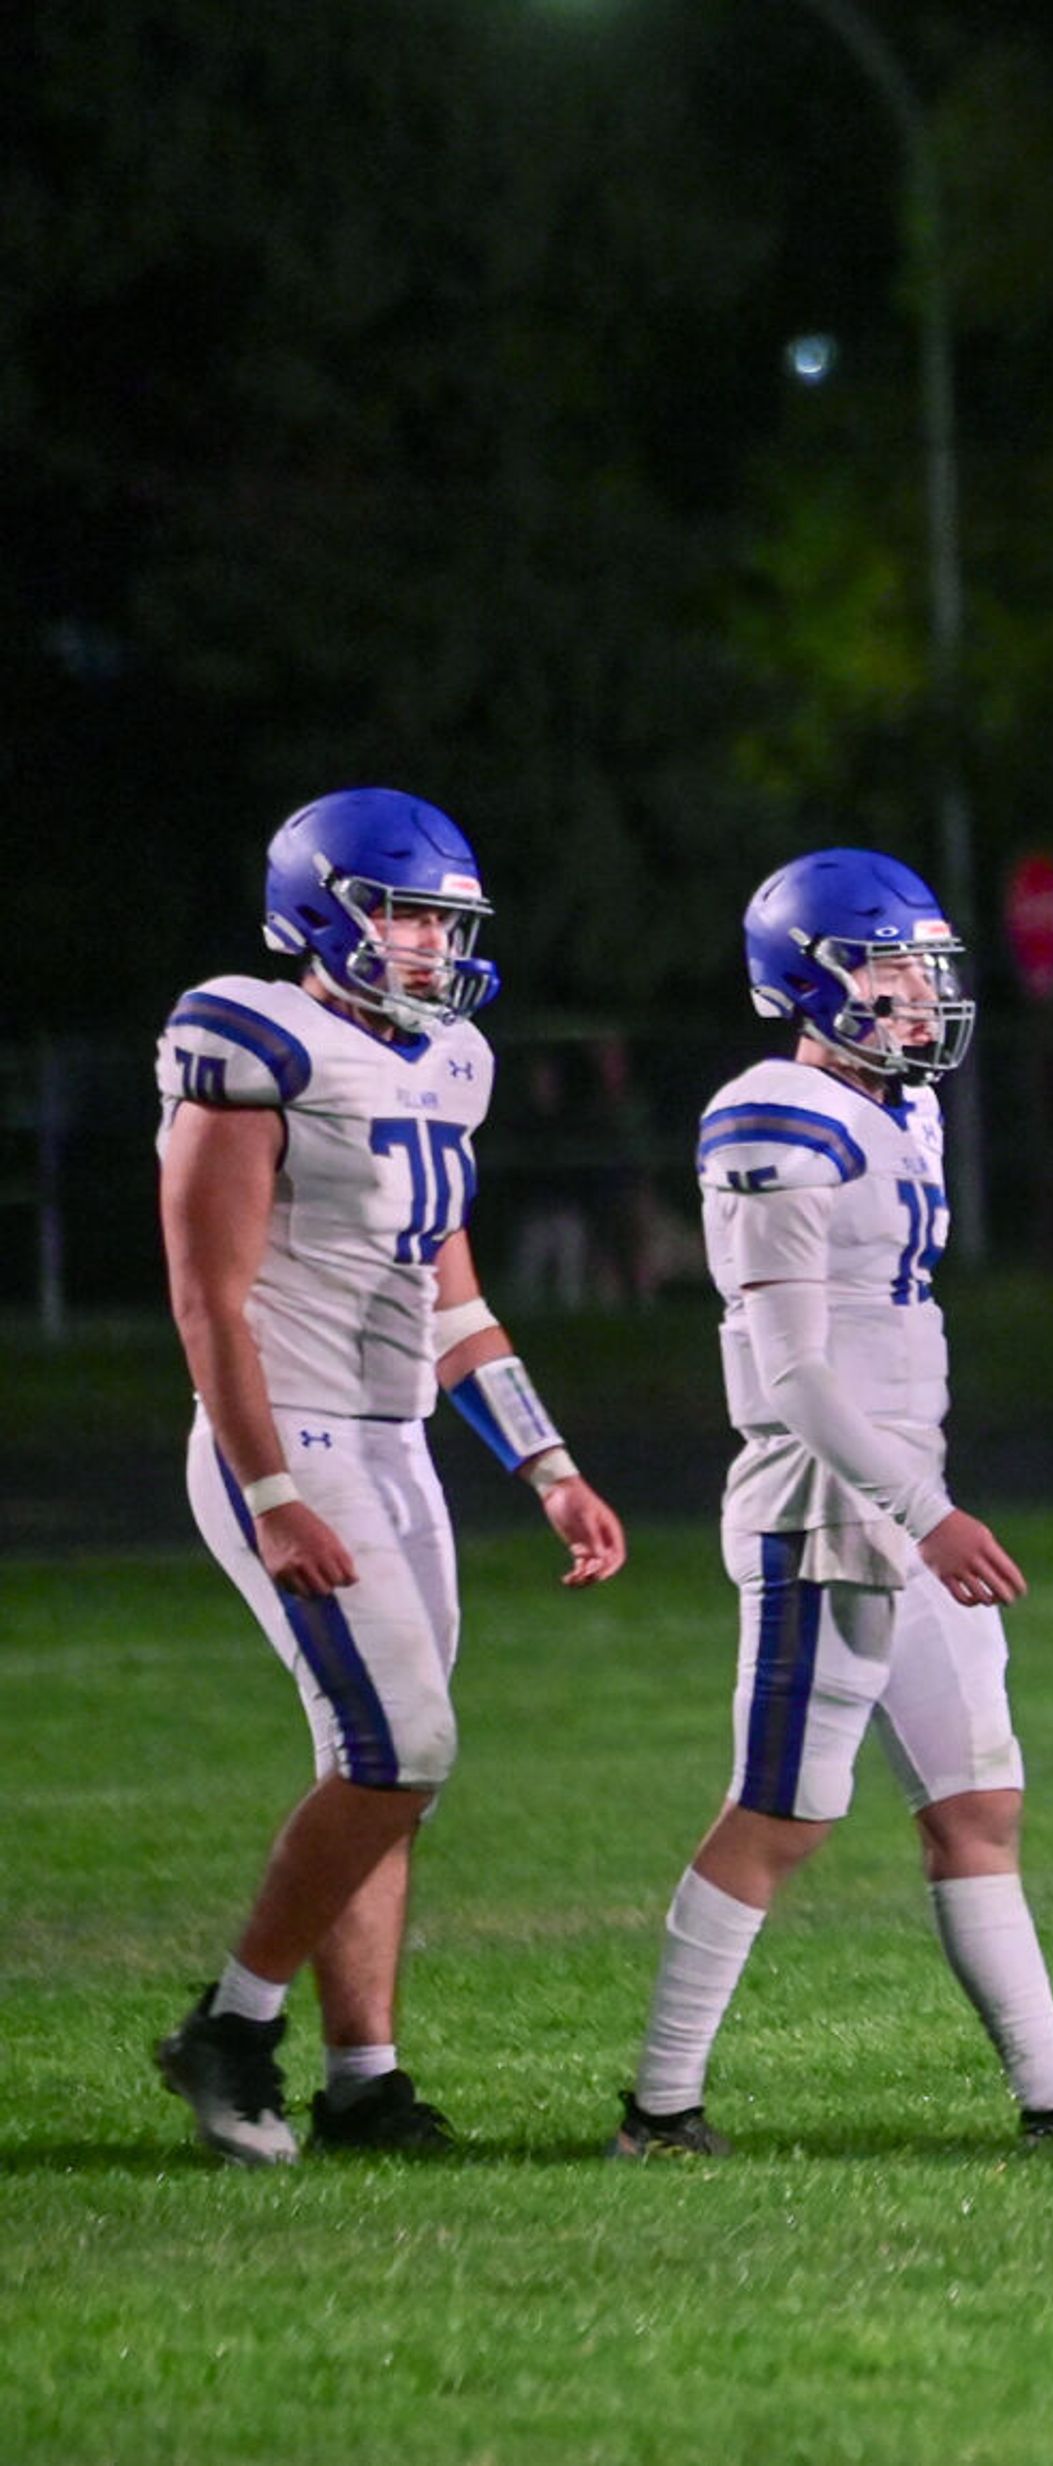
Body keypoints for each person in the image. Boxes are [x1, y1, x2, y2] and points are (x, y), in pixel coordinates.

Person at [609, 849, 1053, 2158]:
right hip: (824, 1509)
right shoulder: (772, 1115)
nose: (915, 995)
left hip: (904, 1499)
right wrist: (924, 1512)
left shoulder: (906, 1108)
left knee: (976, 1803)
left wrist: (926, 1505)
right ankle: (660, 2109)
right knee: (782, 1808)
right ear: (805, 979)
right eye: (885, 967)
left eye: (923, 968)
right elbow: (793, 1379)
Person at [151, 788, 631, 2164]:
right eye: (404, 914)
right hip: (287, 1433)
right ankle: (232, 2029)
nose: (428, 944)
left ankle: (367, 2080)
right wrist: (268, 1491)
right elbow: (210, 1302)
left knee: (393, 1772)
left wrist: (546, 1460)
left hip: (396, 1440)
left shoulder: (452, 1061)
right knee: (398, 1745)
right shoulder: (250, 1036)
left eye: (440, 920)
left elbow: (453, 1302)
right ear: (323, 908)